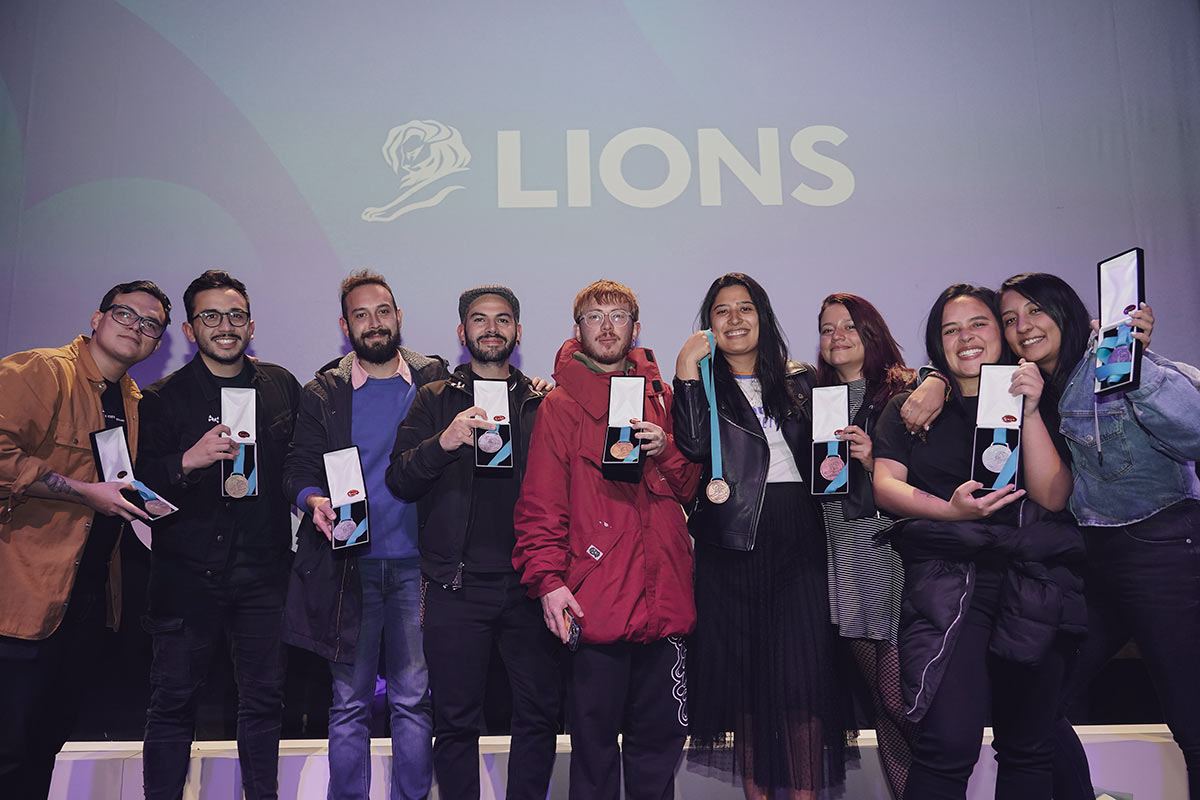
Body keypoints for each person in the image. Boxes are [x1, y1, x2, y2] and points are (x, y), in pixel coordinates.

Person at [872, 283, 1085, 800]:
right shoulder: (910, 408)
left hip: (1033, 584)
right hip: (948, 588)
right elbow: (885, 485)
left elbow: (1054, 496)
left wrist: (1029, 411)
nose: (965, 337)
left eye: (979, 324)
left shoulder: (1041, 394)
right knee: (946, 745)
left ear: (1003, 333)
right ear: (937, 343)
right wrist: (950, 511)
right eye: (951, 330)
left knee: (1028, 747)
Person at [998, 272, 1200, 800]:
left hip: (1162, 547)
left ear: (1065, 310)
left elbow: (1196, 432)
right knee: (1035, 706)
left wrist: (1136, 365)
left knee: (1192, 723)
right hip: (1094, 559)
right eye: (1010, 319)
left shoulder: (1111, 360)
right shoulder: (1029, 386)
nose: (1023, 326)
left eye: (1035, 310)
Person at [512, 279, 700, 800]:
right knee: (593, 756)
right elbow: (540, 505)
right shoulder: (559, 406)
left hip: (665, 600)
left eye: (619, 316)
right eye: (595, 317)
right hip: (595, 603)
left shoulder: (662, 397)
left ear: (636, 328)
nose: (608, 326)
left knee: (658, 750)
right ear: (578, 329)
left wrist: (666, 449)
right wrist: (549, 583)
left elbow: (691, 489)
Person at [672, 273, 850, 800]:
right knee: (747, 689)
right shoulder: (704, 381)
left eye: (745, 308)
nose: (734, 319)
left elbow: (833, 446)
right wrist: (686, 371)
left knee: (802, 684)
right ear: (709, 324)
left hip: (798, 534)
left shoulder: (800, 379)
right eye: (722, 310)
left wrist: (931, 380)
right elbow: (693, 445)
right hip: (731, 538)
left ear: (763, 316)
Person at [387, 285, 561, 800]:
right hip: (455, 585)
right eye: (480, 320)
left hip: (531, 584)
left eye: (502, 319)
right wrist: (443, 442)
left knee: (539, 715)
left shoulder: (542, 403)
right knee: (456, 721)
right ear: (462, 333)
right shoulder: (435, 399)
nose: (491, 328)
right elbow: (400, 480)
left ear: (518, 332)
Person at [0, 280, 170, 798]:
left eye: (150, 324)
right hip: (21, 597)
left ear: (157, 343)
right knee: (7, 748)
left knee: (44, 744)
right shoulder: (41, 370)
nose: (136, 327)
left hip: (85, 603)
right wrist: (83, 492)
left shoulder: (132, 400)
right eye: (125, 314)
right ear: (97, 319)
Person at [136, 270, 301, 800]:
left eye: (235, 316)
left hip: (264, 574)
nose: (225, 326)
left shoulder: (281, 385)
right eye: (210, 316)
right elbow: (134, 487)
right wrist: (188, 460)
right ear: (189, 330)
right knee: (173, 702)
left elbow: (302, 463)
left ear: (251, 325)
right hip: (185, 576)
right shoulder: (160, 399)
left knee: (264, 701)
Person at [282, 270, 445, 800]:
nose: (374, 323)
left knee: (413, 701)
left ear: (398, 317)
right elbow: (297, 469)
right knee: (349, 705)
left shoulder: (435, 380)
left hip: (419, 566)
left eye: (382, 312)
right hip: (348, 568)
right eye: (361, 315)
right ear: (345, 326)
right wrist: (313, 500)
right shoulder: (323, 392)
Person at [813, 292, 917, 799]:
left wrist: (876, 460)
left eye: (849, 326)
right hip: (843, 560)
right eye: (827, 329)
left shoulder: (906, 392)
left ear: (871, 331)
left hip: (890, 557)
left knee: (902, 702)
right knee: (881, 705)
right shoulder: (814, 400)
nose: (837, 336)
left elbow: (935, 475)